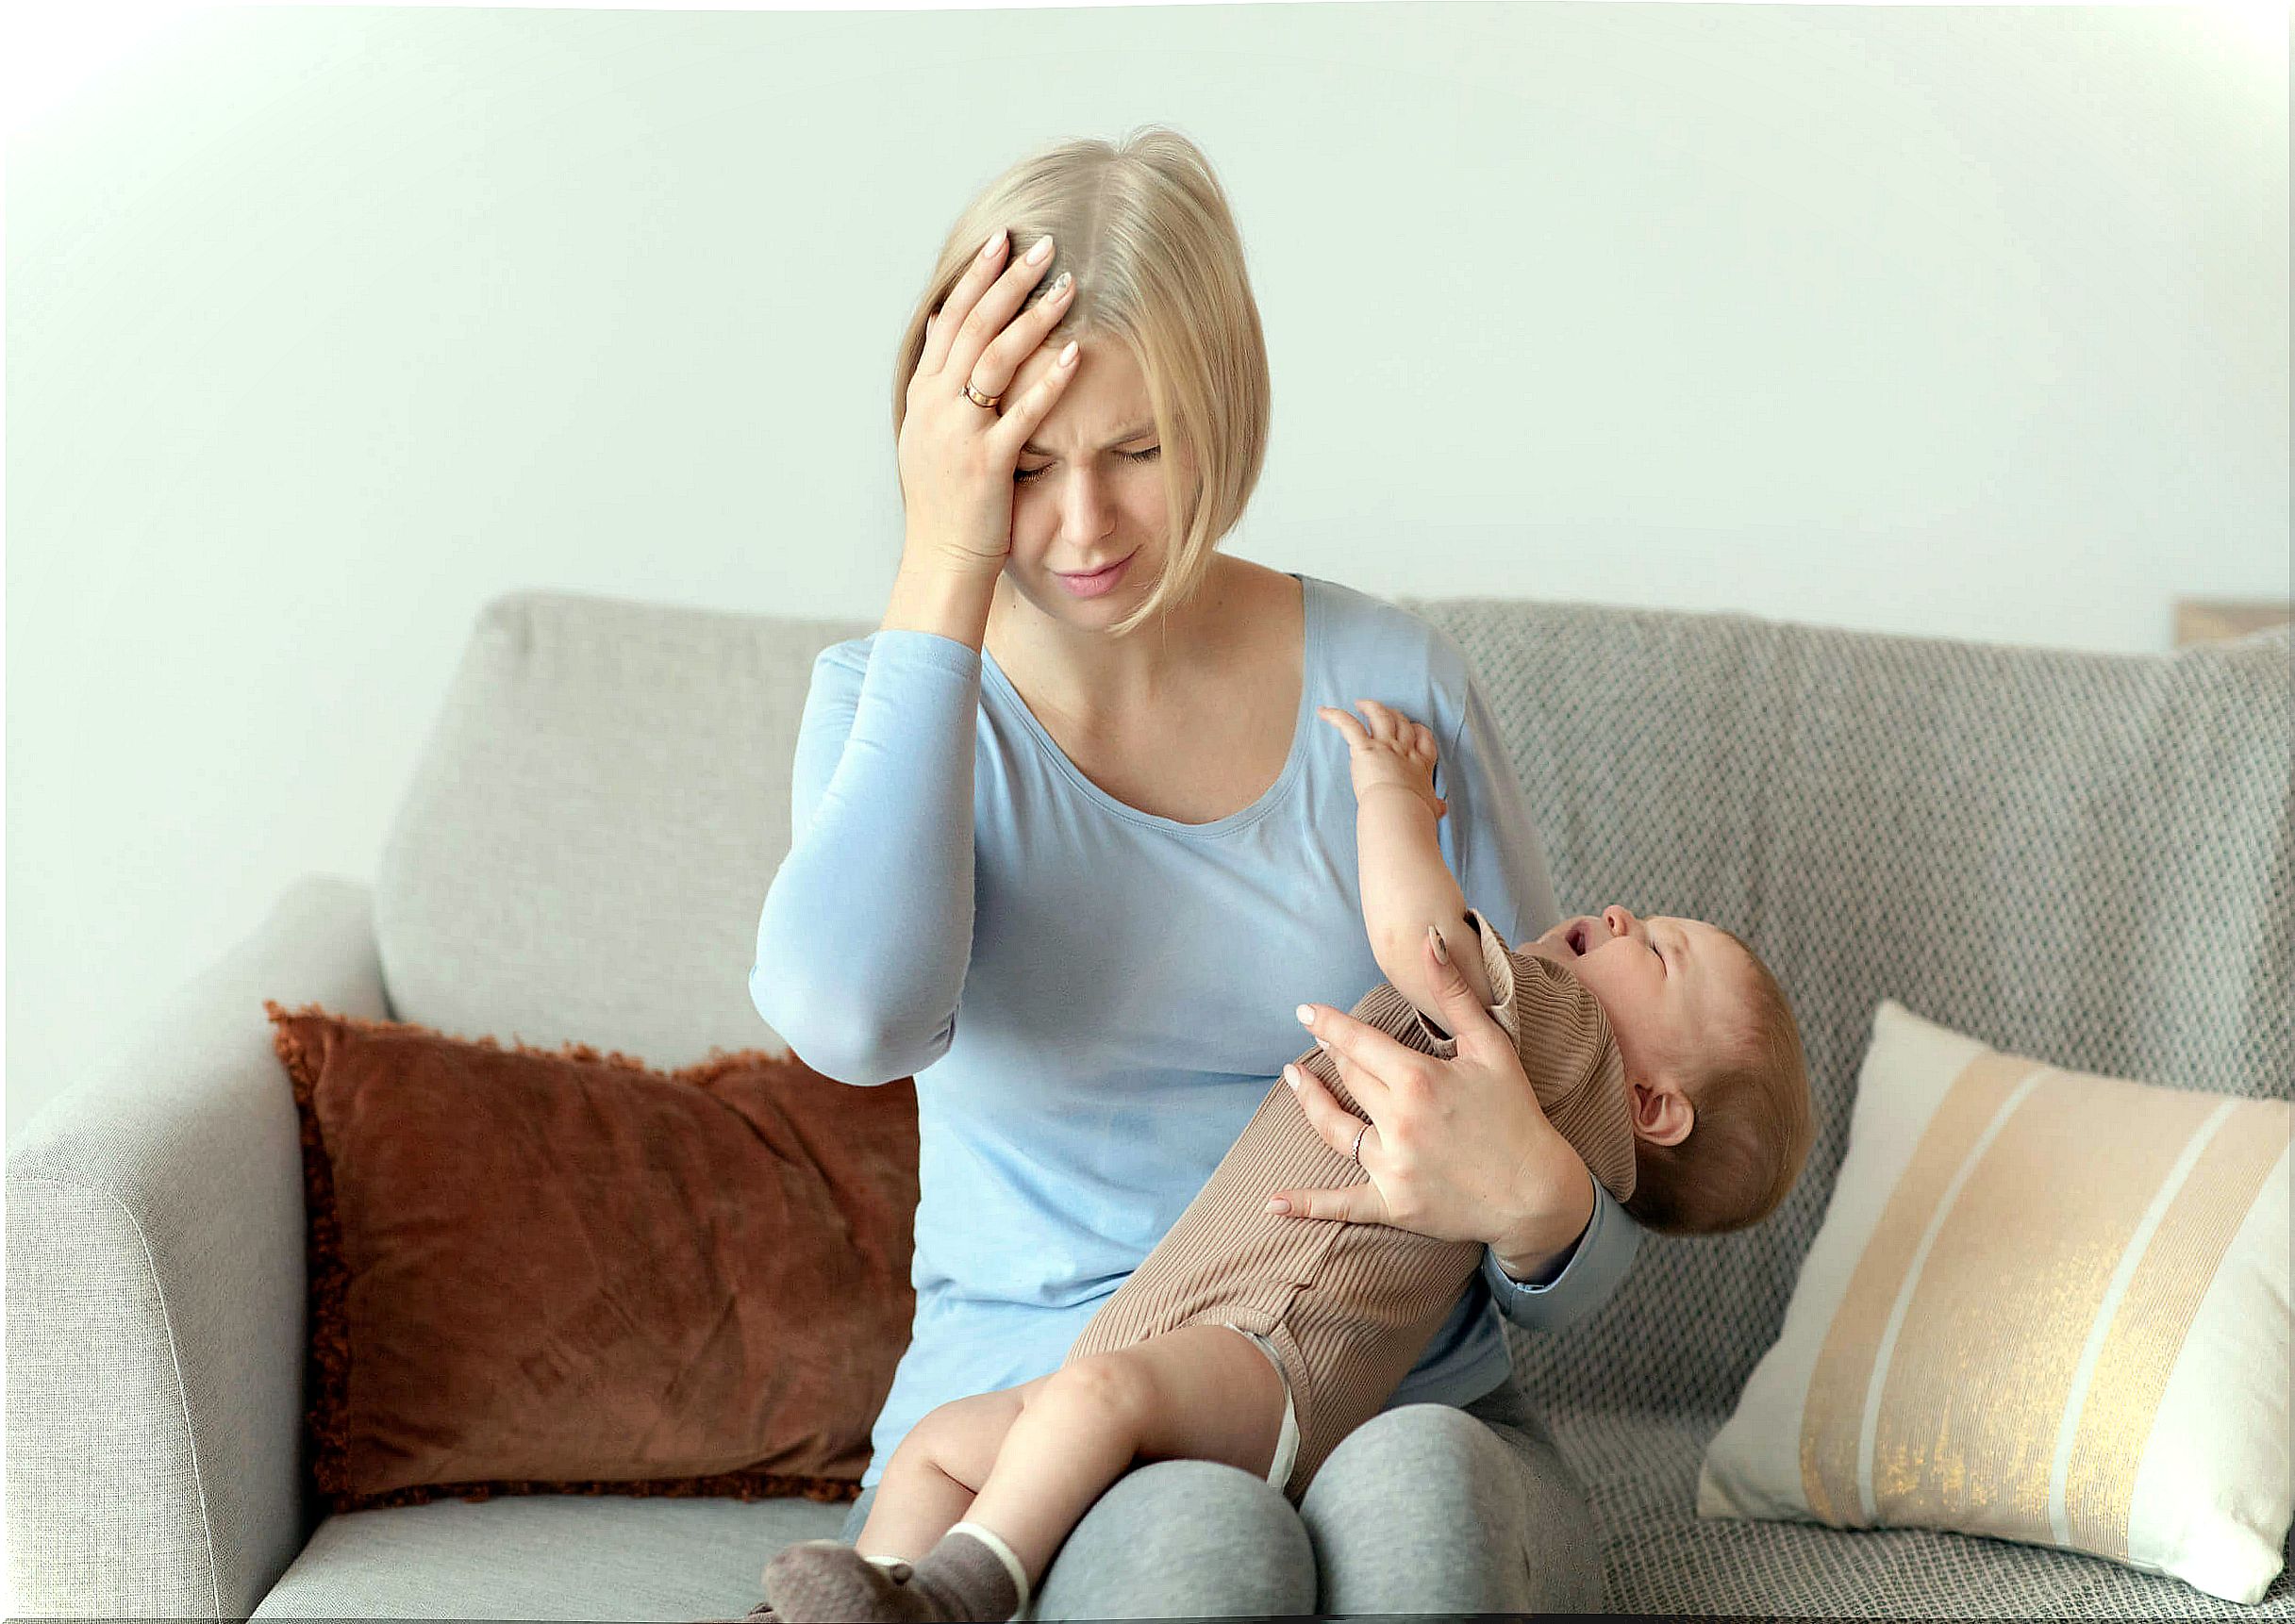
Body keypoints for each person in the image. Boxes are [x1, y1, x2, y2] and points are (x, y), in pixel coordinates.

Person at [749, 125, 1642, 1620]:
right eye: (1025, 467)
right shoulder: (890, 700)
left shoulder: (1386, 680)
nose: (1085, 526)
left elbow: (1576, 1184)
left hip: (1407, 1397)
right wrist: (939, 566)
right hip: (1035, 1440)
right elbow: (851, 1018)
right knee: (1198, 1546)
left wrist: (1538, 1200)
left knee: (1416, 1497)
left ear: (1220, 412)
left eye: (1137, 450)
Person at [757, 700, 1814, 1623]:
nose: (1626, 912)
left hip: (1272, 1349)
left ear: (1652, 1107)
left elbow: (1420, 943)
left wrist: (1391, 794)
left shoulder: (1561, 1040)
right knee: (942, 1444)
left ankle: (954, 1594)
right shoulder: (1550, 1067)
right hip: (1194, 1335)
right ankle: (870, 1598)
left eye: (1663, 948)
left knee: (1092, 1407)